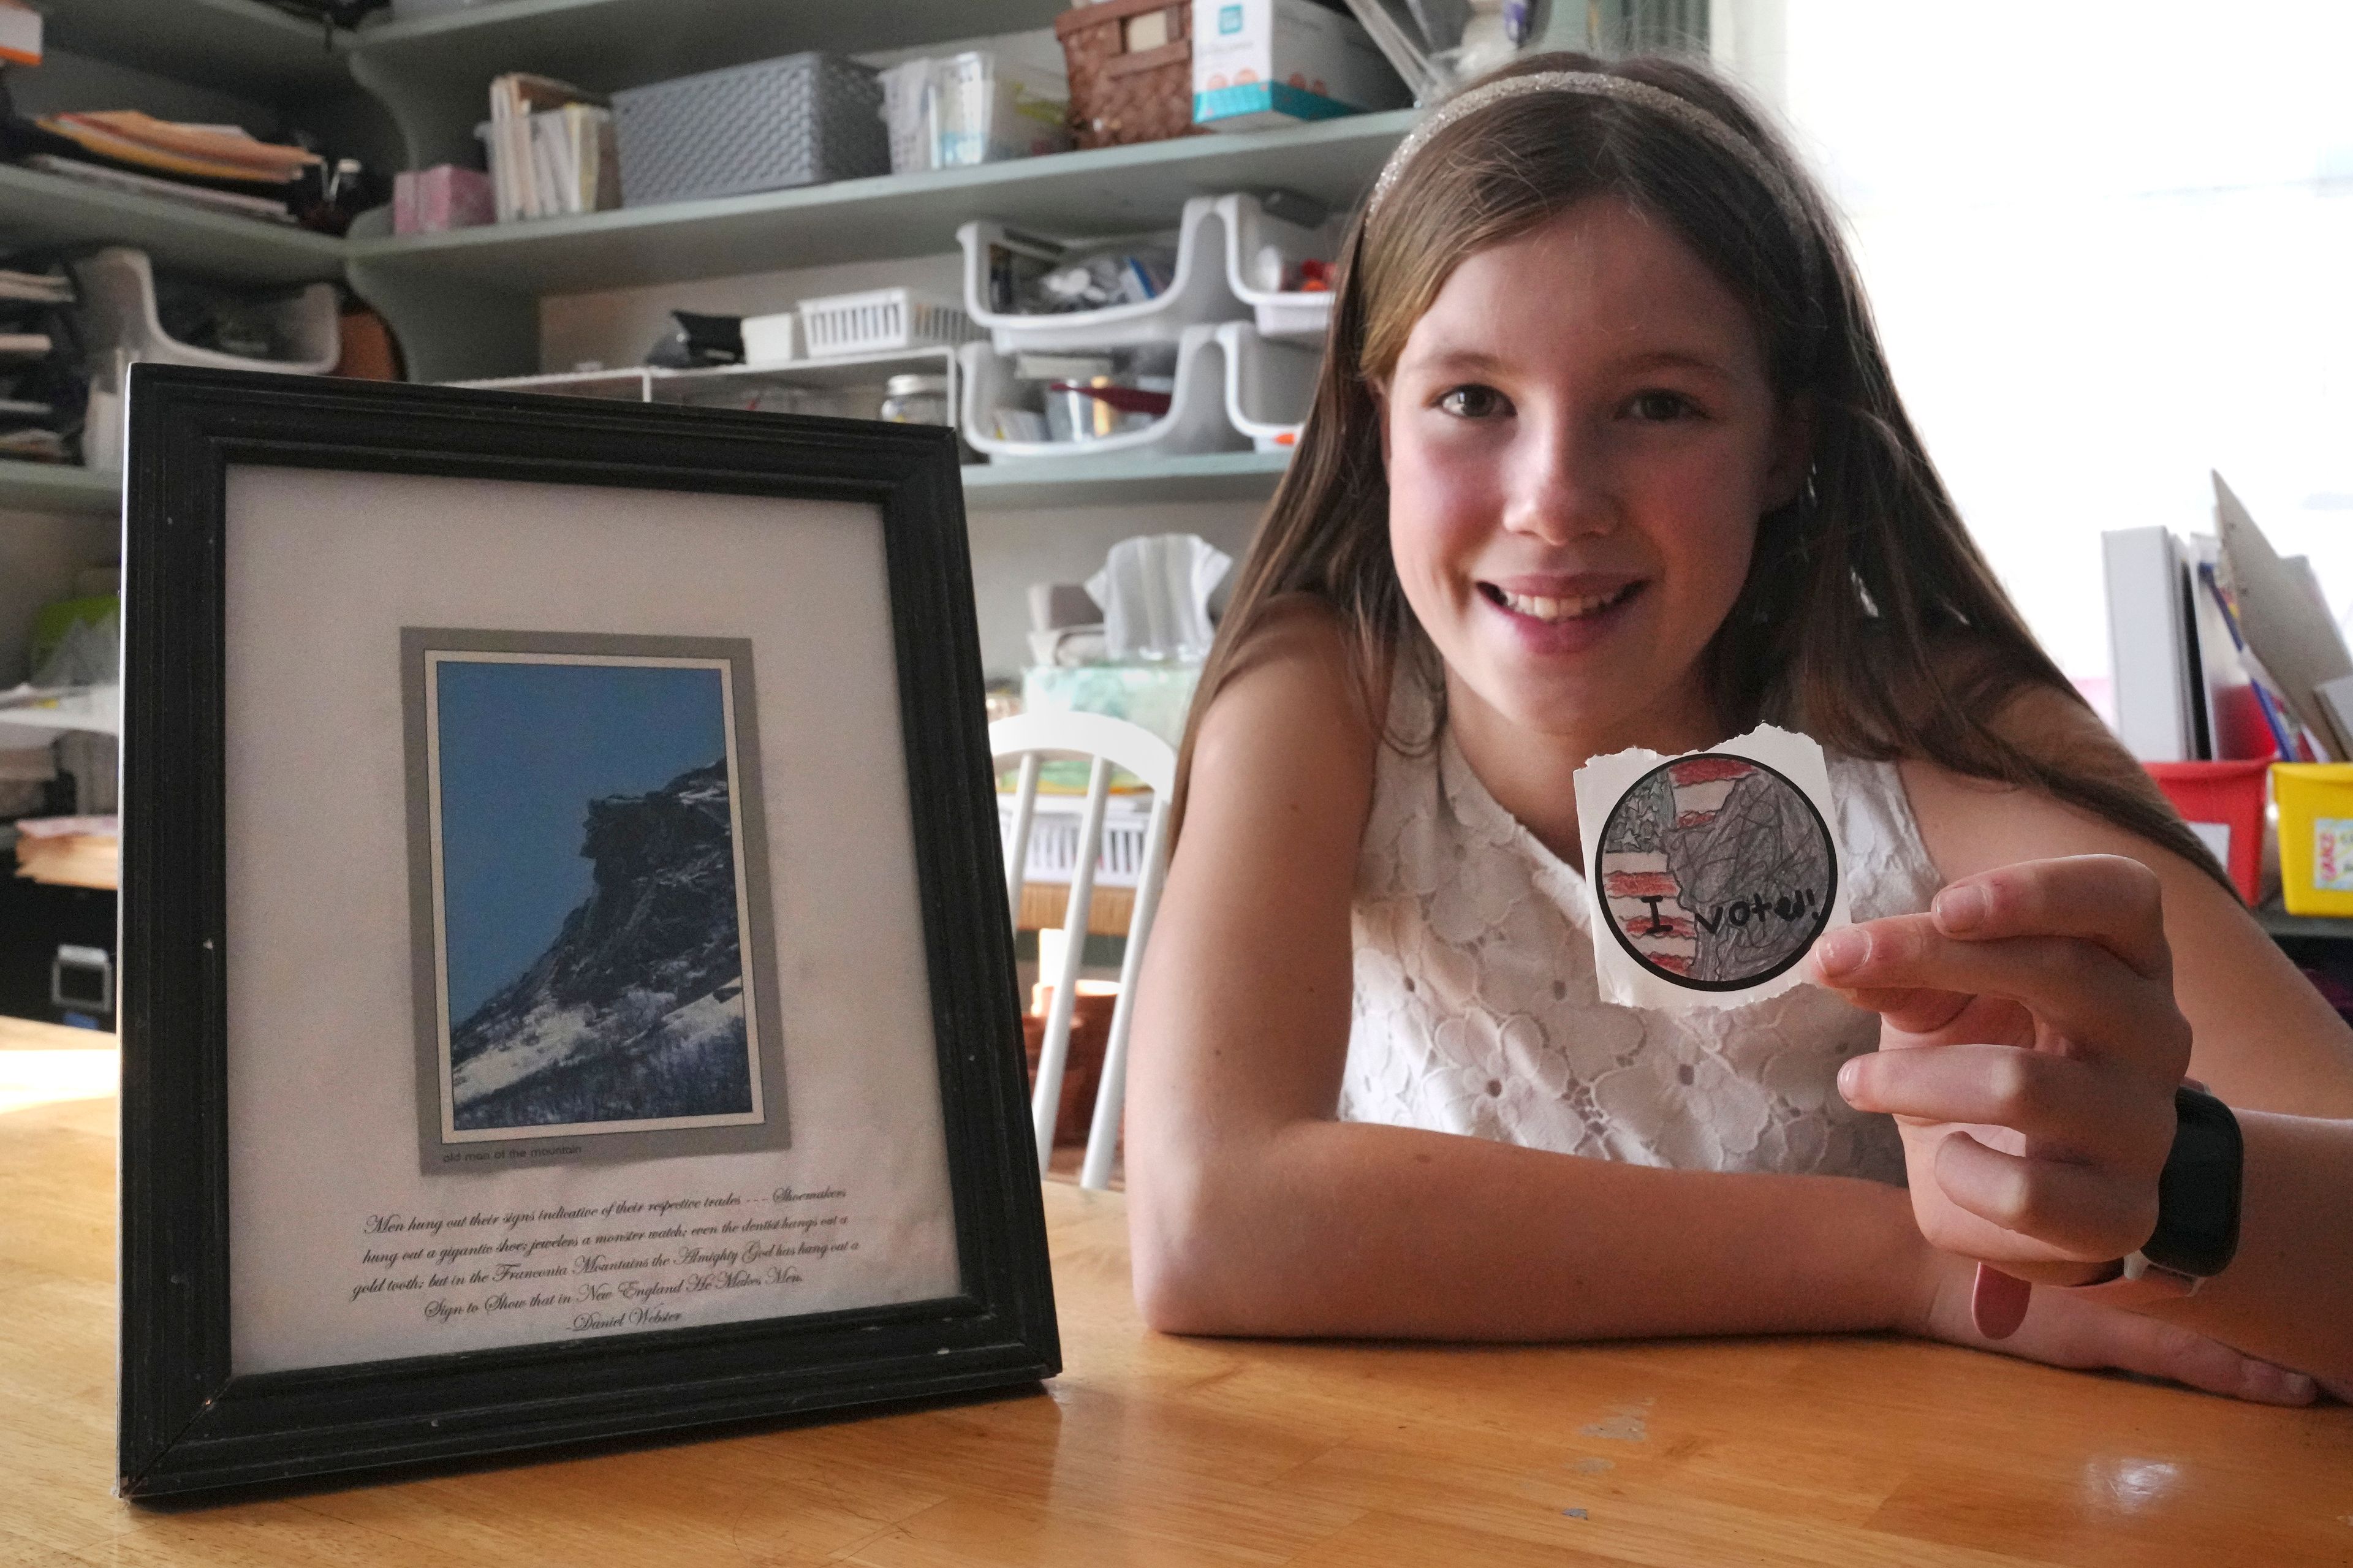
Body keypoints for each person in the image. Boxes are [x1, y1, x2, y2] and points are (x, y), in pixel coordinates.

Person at [1126, 51, 2353, 1401]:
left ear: (1784, 444)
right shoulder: (1327, 685)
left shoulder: (1945, 737)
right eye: (1473, 398)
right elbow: (1206, 1220)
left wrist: (2176, 1176)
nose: (1554, 499)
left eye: (1659, 404)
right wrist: (1902, 1259)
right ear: (1376, 426)